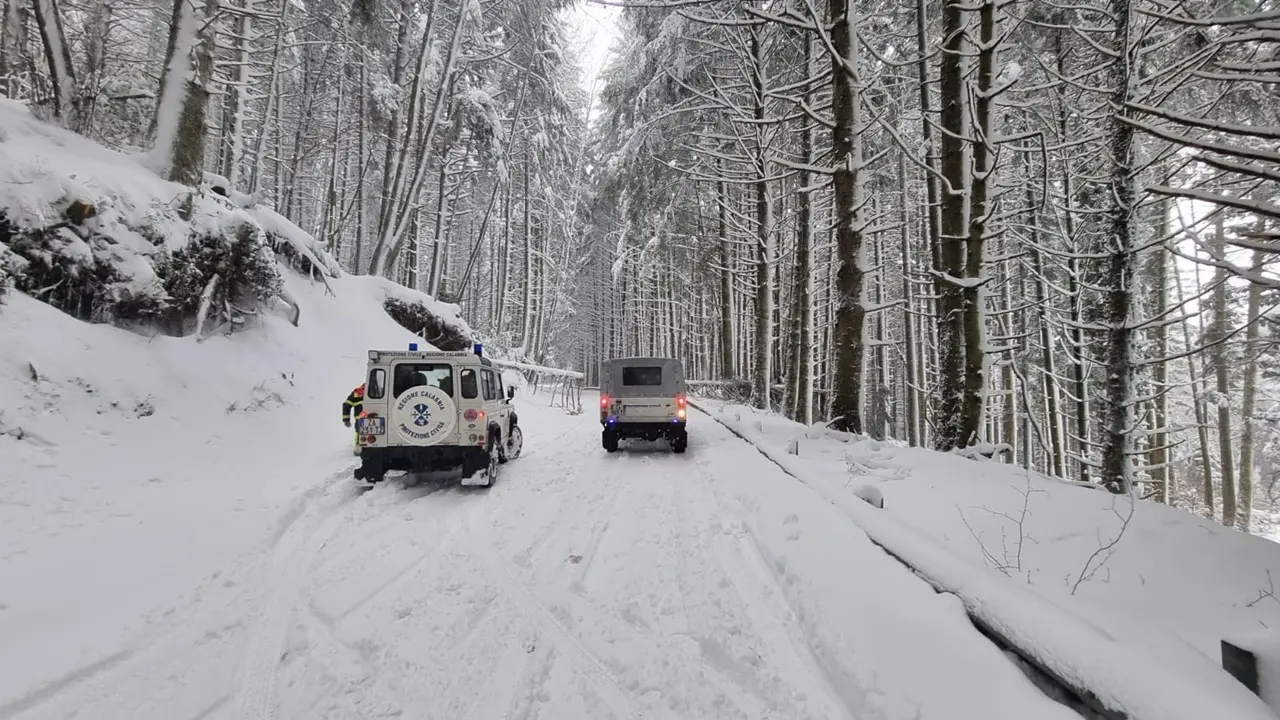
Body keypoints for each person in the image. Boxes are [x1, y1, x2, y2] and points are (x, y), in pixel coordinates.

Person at [342, 383, 365, 454]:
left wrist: (346, 420)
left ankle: (359, 447)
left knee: (359, 431)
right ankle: (359, 445)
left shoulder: (357, 392)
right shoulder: (379, 390)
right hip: (375, 416)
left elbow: (346, 404)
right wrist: (346, 419)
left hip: (360, 417)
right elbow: (347, 404)